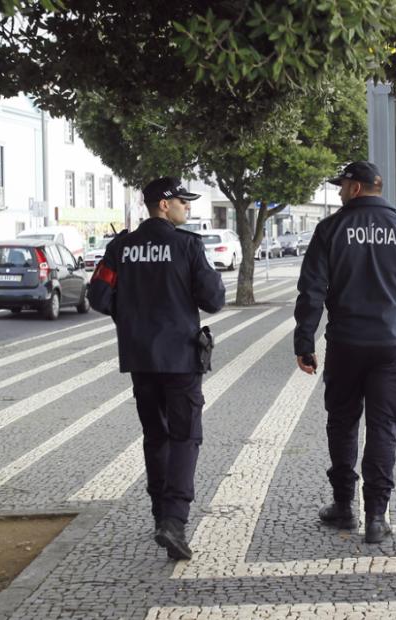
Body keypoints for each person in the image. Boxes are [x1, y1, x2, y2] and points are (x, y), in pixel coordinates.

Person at [293, 161, 396, 543]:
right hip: (391, 344)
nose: (339, 192)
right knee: (383, 428)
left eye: (342, 185)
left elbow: (311, 291)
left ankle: (344, 507)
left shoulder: (330, 230)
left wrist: (304, 342)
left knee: (342, 423)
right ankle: (376, 516)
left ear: (357, 188)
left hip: (345, 343)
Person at [87, 176, 226, 560]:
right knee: (185, 437)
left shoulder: (122, 247)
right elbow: (213, 299)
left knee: (156, 436)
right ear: (164, 205)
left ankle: (159, 516)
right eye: (183, 201)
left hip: (140, 358)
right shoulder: (187, 245)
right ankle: (175, 521)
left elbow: (98, 296)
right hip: (180, 357)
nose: (188, 207)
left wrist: (130, 316)